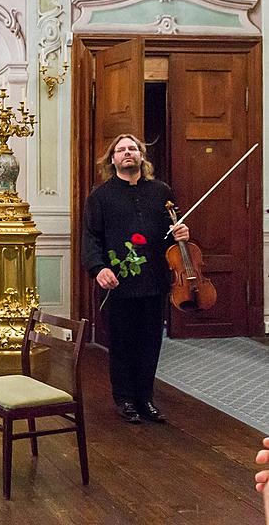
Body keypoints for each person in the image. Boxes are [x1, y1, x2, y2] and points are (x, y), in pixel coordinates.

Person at [81, 133, 189, 424]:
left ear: (141, 156)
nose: (127, 153)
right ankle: (125, 399)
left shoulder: (161, 192)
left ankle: (146, 398)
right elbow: (91, 238)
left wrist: (183, 235)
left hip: (154, 281)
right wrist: (98, 268)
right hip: (119, 283)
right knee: (123, 342)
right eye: (121, 150)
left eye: (133, 149)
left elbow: (172, 233)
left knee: (151, 342)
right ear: (112, 159)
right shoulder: (100, 196)